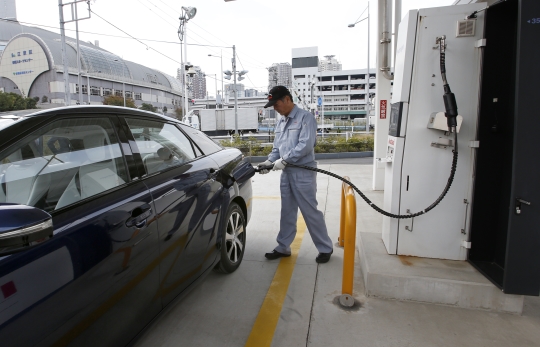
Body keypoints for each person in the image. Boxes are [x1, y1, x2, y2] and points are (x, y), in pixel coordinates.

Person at [258, 86, 333, 263]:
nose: (275, 108)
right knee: (287, 211)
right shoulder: (281, 121)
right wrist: (270, 161)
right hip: (287, 173)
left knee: (309, 212)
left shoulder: (305, 118)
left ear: (287, 99)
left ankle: (325, 248)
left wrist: (284, 160)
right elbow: (277, 148)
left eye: (276, 104)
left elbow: (305, 145)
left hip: (303, 173)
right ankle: (283, 247)